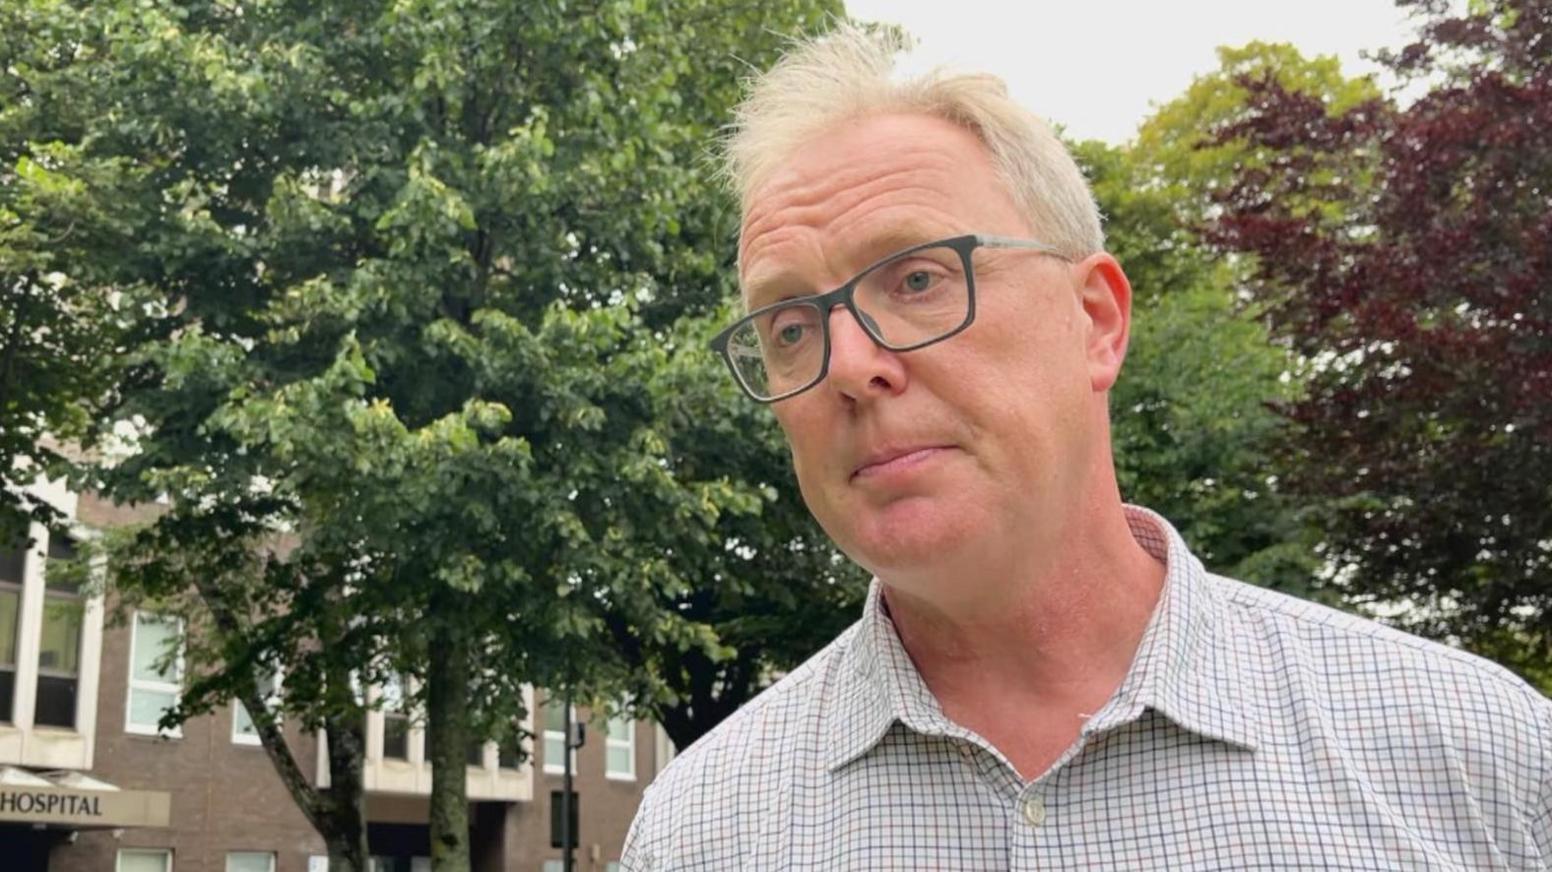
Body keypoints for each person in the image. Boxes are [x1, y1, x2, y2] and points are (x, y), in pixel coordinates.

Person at [622, 24, 1552, 871]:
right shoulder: (699, 833)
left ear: (1096, 320)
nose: (849, 366)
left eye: (916, 277)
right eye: (789, 327)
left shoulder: (1480, 761)